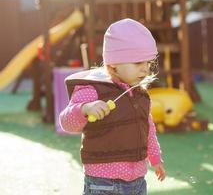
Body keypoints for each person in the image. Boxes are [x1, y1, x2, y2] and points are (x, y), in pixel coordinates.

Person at [59, 18, 166, 195]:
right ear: (114, 63)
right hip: (103, 184)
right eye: (138, 63)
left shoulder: (139, 94)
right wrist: (85, 109)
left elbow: (148, 129)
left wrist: (155, 158)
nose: (145, 69)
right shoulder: (93, 90)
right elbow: (66, 122)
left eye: (148, 63)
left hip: (137, 183)